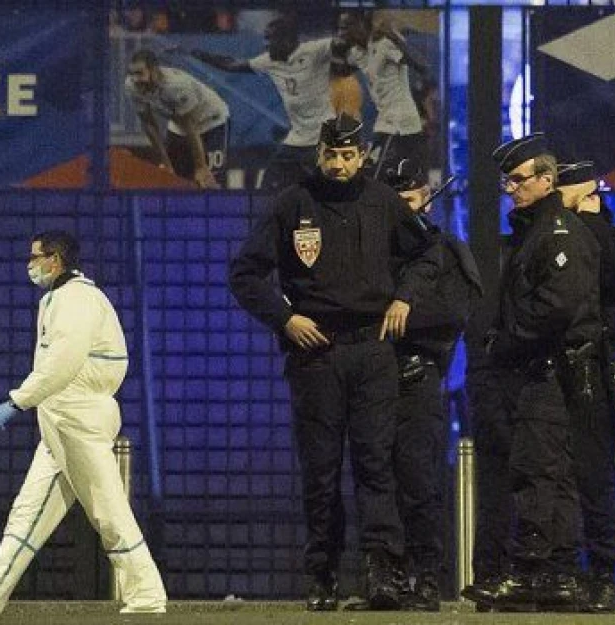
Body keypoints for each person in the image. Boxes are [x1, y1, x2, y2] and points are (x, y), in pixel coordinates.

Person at [228, 114, 440, 612]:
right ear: (319, 154)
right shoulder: (293, 204)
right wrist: (284, 318)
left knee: (375, 465)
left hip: (372, 350)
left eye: (348, 155)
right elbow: (246, 273)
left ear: (363, 155)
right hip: (315, 352)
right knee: (320, 471)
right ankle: (322, 574)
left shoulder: (383, 202)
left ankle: (382, 573)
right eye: (332, 155)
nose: (340, 164)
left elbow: (428, 253)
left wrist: (405, 297)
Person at [0, 231, 168, 616]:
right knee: (30, 512)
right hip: (63, 417)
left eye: (36, 256)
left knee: (107, 509)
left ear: (55, 260)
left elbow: (63, 362)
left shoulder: (76, 300)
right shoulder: (64, 298)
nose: (31, 263)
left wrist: (17, 400)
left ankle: (147, 596)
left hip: (77, 416)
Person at [461, 133, 602, 611]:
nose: (510, 190)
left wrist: (506, 339)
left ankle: (535, 572)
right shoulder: (537, 231)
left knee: (537, 471)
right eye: (507, 181)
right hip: (538, 370)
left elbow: (557, 306)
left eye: (518, 180)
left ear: (546, 180)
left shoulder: (557, 233)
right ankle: (556, 573)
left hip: (546, 371)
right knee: (548, 473)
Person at [380, 159, 482, 612]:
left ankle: (425, 578)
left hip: (419, 379)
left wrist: (387, 319)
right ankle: (387, 576)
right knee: (377, 484)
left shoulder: (444, 250)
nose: (404, 210)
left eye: (410, 199)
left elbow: (452, 314)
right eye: (395, 202)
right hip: (375, 383)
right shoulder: (374, 252)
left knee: (419, 484)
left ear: (425, 198)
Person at [556, 161, 615, 612]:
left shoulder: (613, 238)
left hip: (594, 365)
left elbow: (611, 271)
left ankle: (602, 571)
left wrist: (587, 220)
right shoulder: (550, 235)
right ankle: (562, 567)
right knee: (553, 473)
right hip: (554, 364)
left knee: (594, 472)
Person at [183, 15, 334, 191]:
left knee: (325, 191)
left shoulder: (315, 50)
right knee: (267, 187)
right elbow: (231, 64)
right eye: (265, 39)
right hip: (297, 140)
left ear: (287, 39)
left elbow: (344, 45)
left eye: (271, 39)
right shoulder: (269, 61)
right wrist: (198, 53)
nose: (266, 44)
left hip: (323, 138)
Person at [335, 11, 429, 176]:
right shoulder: (357, 52)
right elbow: (341, 70)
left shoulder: (384, 44)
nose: (341, 33)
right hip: (385, 121)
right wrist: (337, 49)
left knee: (379, 173)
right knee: (377, 172)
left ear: (360, 25)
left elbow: (422, 66)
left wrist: (397, 40)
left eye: (345, 27)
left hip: (401, 123)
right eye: (339, 28)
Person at [124, 49, 230, 189]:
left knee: (208, 180)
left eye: (140, 73)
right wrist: (166, 164)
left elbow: (190, 127)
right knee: (173, 179)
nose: (136, 79)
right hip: (178, 124)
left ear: (154, 70)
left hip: (211, 122)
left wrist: (201, 167)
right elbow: (149, 124)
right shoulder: (132, 86)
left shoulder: (176, 86)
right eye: (132, 74)